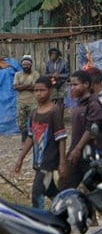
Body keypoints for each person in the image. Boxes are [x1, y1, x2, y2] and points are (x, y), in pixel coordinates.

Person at [14, 78, 66, 209]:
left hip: (49, 161)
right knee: (51, 190)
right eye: (36, 90)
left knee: (37, 193)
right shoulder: (33, 113)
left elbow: (61, 138)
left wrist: (62, 162)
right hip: (38, 160)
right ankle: (68, 209)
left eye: (42, 90)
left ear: (50, 91)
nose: (38, 93)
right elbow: (30, 138)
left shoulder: (54, 111)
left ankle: (38, 220)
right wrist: (20, 158)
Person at [14, 55, 39, 141]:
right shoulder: (17, 74)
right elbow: (15, 87)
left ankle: (35, 140)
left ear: (31, 65)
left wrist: (22, 86)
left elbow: (35, 87)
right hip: (21, 102)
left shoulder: (35, 74)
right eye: (24, 64)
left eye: (27, 64)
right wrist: (28, 85)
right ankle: (24, 141)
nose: (25, 66)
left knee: (34, 121)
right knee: (21, 123)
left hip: (33, 101)